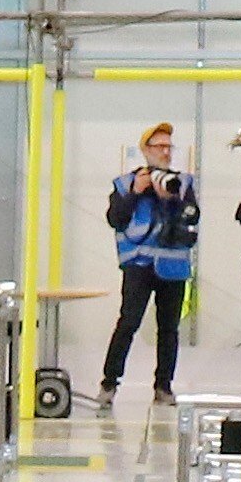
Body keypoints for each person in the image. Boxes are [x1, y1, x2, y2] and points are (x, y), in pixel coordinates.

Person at [97, 125, 198, 405]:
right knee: (128, 322)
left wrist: (173, 200)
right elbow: (115, 218)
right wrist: (135, 192)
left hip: (173, 267)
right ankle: (109, 383)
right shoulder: (124, 183)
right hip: (139, 264)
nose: (165, 152)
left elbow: (192, 219)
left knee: (169, 329)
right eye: (159, 147)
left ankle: (163, 387)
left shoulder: (184, 184)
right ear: (145, 150)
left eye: (169, 147)